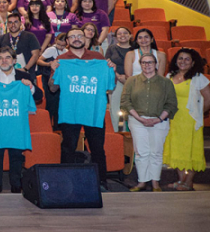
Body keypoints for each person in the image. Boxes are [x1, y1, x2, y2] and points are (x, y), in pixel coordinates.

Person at [48, 27, 116, 190]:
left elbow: (110, 89)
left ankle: (101, 181)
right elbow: (52, 88)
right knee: (68, 147)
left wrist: (110, 69)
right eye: (72, 37)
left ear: (85, 39)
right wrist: (54, 70)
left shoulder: (99, 59)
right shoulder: (62, 60)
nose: (77, 39)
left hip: (93, 111)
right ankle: (66, 182)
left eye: (80, 36)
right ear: (67, 41)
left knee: (98, 147)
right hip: (70, 111)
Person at [0, 46, 43, 193]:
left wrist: (31, 87)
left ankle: (16, 183)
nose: (4, 61)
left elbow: (39, 96)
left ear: (14, 60)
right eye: (0, 58)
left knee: (16, 155)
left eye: (7, 57)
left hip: (16, 125)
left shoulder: (23, 76)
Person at [121, 53, 177, 192]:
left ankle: (155, 183)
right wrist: (140, 118)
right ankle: (142, 182)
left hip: (160, 121)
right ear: (140, 64)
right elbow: (125, 102)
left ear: (156, 64)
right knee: (141, 152)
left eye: (150, 62)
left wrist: (158, 119)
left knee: (156, 152)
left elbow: (171, 104)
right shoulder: (132, 81)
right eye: (144, 62)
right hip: (137, 120)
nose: (147, 65)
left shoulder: (166, 82)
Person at [164, 49, 210, 191]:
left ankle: (188, 181)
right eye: (180, 58)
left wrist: (198, 114)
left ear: (193, 62)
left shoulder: (198, 77)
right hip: (174, 120)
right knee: (177, 150)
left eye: (187, 59)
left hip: (190, 120)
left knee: (190, 150)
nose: (183, 61)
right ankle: (181, 180)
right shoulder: (169, 76)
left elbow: (208, 99)